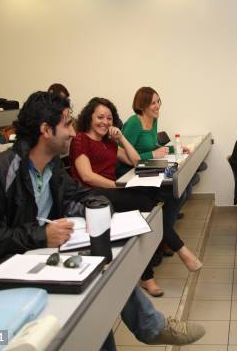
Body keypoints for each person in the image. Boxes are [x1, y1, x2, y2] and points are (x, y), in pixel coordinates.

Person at [0, 91, 205, 347]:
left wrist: (96, 210)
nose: (73, 133)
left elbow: (84, 195)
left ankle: (153, 327)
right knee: (98, 287)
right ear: (45, 130)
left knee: (104, 271)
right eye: (67, 124)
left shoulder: (50, 167)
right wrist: (40, 235)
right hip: (9, 274)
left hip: (43, 256)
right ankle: (153, 328)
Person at [69, 97, 165, 297]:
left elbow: (136, 160)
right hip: (90, 195)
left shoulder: (108, 143)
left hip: (110, 193)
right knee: (144, 203)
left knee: (147, 202)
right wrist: (116, 187)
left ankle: (148, 271)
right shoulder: (80, 139)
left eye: (109, 118)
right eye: (100, 117)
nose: (105, 122)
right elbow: (87, 176)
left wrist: (121, 138)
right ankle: (152, 272)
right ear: (89, 117)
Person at [117, 87, 202, 277]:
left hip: (148, 168)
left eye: (158, 101)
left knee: (181, 188)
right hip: (131, 173)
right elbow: (122, 152)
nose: (157, 106)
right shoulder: (133, 123)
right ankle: (166, 238)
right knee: (169, 194)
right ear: (142, 105)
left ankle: (164, 236)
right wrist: (150, 155)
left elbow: (155, 147)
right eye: (152, 103)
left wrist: (176, 150)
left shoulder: (153, 119)